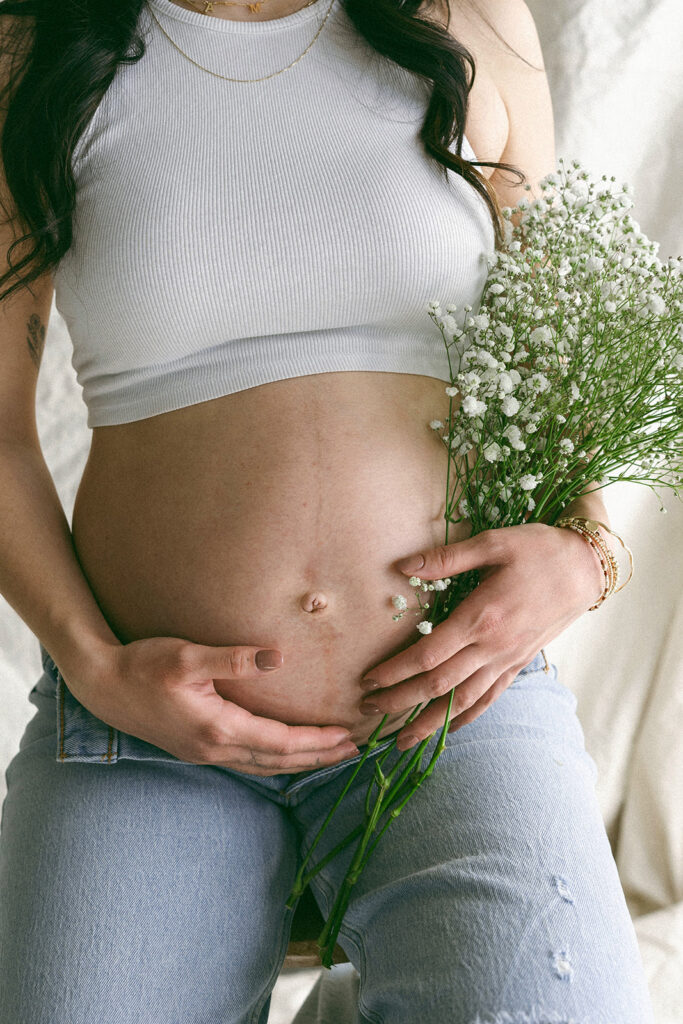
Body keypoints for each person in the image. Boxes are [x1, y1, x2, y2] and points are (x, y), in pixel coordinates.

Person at [0, 0, 656, 1021]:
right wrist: (95, 666)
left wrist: (584, 551)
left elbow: (552, 348)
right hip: (145, 728)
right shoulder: (37, 49)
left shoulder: (466, 17)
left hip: (450, 703)